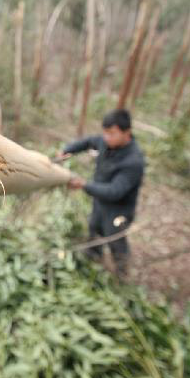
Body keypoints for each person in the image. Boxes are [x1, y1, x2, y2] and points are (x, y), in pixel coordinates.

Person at [56, 109, 145, 277]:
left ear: (127, 132)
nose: (106, 137)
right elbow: (89, 141)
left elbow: (115, 191)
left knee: (115, 240)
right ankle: (93, 257)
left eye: (111, 134)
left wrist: (85, 185)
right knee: (94, 228)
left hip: (119, 211)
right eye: (105, 133)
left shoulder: (133, 161)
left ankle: (122, 273)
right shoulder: (107, 142)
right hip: (100, 201)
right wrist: (68, 150)